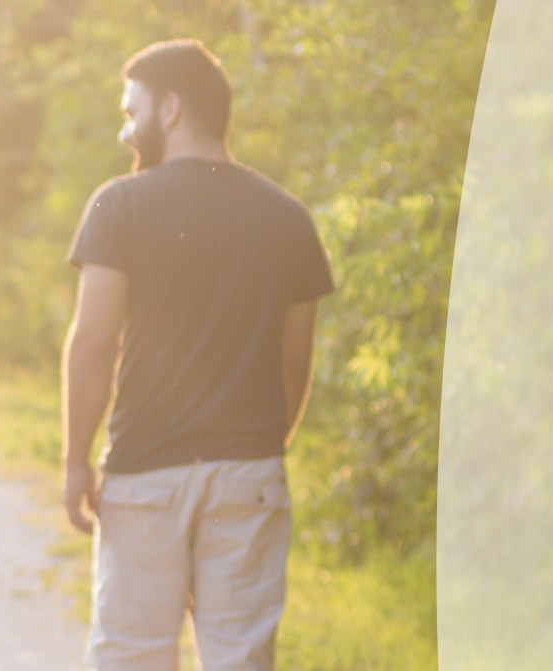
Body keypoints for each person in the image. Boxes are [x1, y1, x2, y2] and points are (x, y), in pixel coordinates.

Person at [59, 40, 334, 671]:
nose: (124, 129)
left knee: (131, 655)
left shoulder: (120, 204)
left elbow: (94, 342)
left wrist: (76, 462)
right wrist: (260, 454)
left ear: (173, 108)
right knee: (240, 657)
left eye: (133, 112)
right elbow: (296, 362)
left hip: (145, 474)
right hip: (250, 471)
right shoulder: (288, 217)